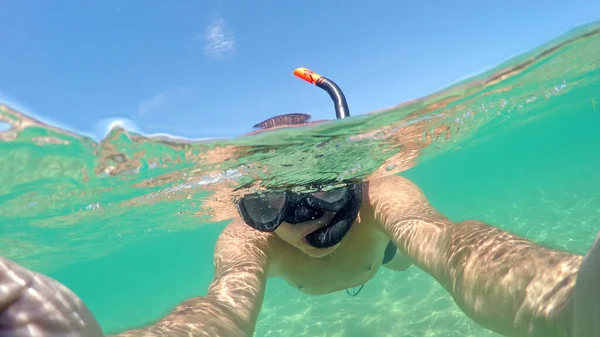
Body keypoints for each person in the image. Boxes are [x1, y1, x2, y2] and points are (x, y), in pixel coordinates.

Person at [1, 69, 599, 337]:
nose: (304, 219)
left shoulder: (382, 198)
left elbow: (446, 244)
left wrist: (568, 302)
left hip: (384, 252)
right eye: (270, 207)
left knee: (405, 250)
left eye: (321, 191)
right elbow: (219, 313)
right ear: (249, 210)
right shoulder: (246, 242)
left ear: (351, 179)